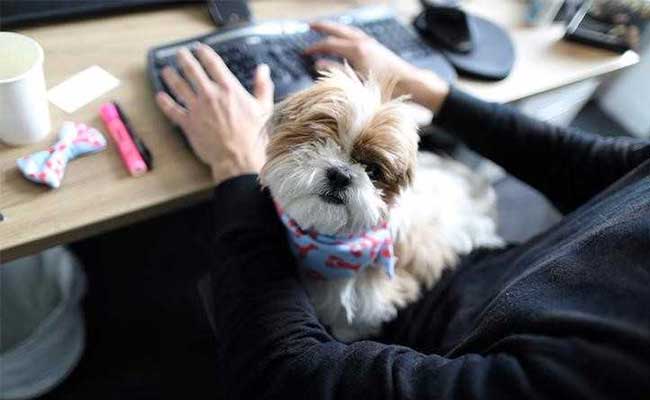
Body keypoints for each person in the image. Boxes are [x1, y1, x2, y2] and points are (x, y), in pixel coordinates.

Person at [151, 21, 649, 399]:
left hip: (414, 331)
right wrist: (425, 87)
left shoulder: (613, 370)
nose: (343, 172)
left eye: (370, 172)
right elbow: (594, 164)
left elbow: (287, 377)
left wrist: (238, 171)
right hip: (495, 273)